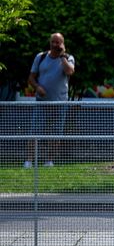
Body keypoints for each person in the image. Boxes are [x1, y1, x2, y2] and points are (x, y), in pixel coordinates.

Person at [24, 33, 75, 168]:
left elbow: (70, 71)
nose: (55, 45)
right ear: (50, 42)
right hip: (42, 101)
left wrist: (62, 56)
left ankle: (49, 161)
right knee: (35, 131)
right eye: (53, 42)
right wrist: (37, 87)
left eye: (58, 42)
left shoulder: (68, 58)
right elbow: (31, 78)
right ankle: (29, 161)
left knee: (56, 133)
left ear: (63, 44)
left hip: (60, 103)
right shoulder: (40, 57)